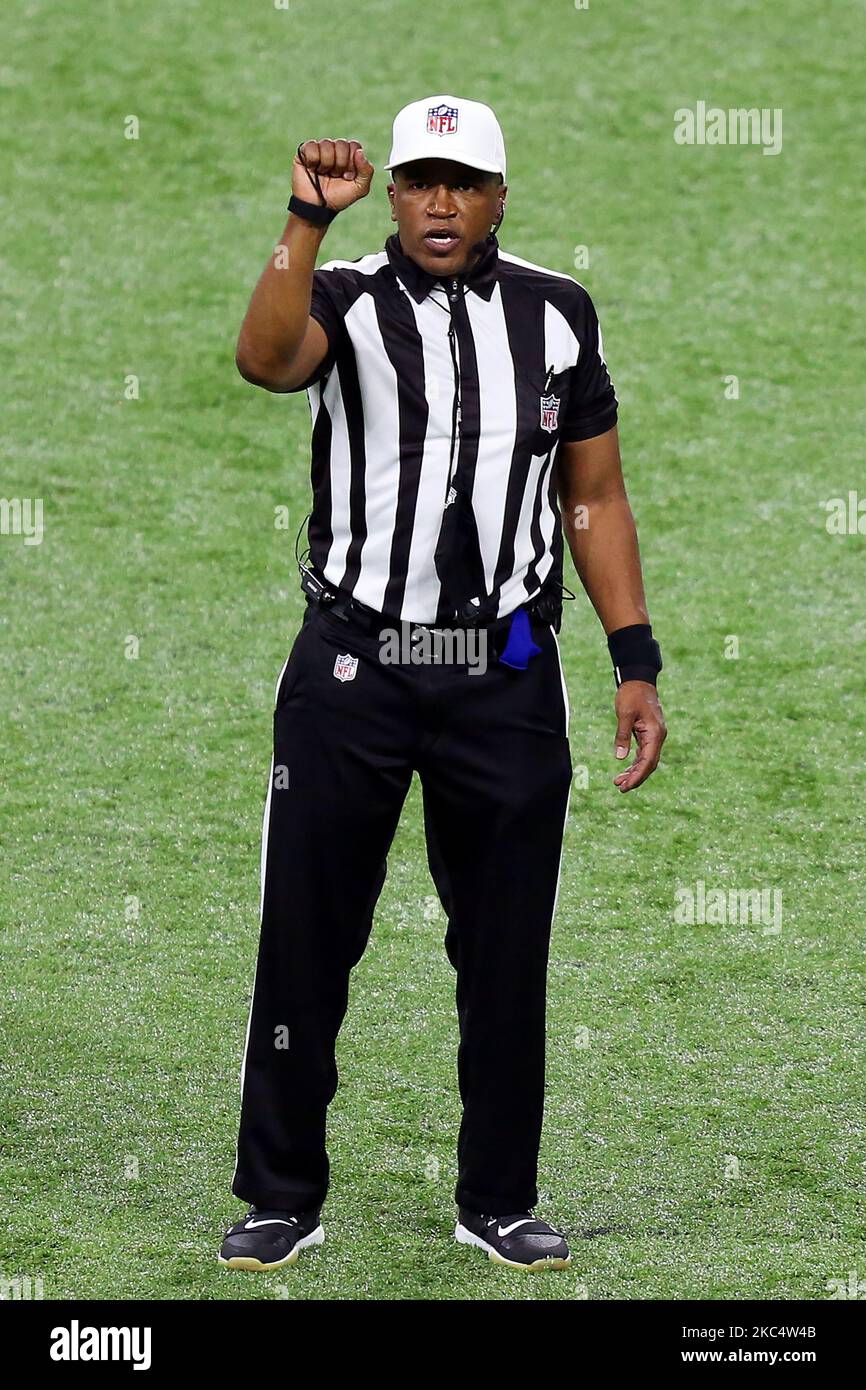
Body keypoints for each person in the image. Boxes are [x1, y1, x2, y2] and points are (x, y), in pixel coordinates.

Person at [218, 94, 666, 1274]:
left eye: (462, 184)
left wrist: (632, 658)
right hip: (355, 666)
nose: (439, 202)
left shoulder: (558, 314)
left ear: (498, 198)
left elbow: (593, 496)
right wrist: (303, 219)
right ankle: (279, 1193)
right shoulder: (341, 296)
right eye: (419, 179)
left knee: (506, 952)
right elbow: (264, 361)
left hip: (503, 673)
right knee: (305, 940)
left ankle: (497, 1198)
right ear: (395, 192)